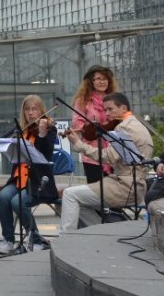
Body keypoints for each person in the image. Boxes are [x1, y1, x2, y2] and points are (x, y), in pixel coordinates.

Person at [60, 92, 152, 232]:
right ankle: (101, 233)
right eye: (105, 110)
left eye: (110, 109)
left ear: (123, 108)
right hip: (133, 184)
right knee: (80, 202)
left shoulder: (124, 127)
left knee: (69, 194)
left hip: (125, 186)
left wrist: (79, 144)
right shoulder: (136, 124)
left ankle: (65, 240)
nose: (106, 113)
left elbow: (108, 157)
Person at [0, 95, 57, 254]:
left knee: (17, 201)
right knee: (3, 196)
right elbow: (3, 141)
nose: (30, 113)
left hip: (39, 181)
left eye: (34, 109)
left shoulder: (49, 128)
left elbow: (46, 154)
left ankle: (36, 239)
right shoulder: (20, 129)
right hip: (19, 178)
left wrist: (42, 133)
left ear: (41, 110)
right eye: (27, 109)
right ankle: (8, 239)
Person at [70, 66, 118, 183]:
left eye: (105, 78)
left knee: (112, 187)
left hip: (112, 150)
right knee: (96, 188)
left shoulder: (114, 99)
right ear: (91, 82)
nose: (102, 81)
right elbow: (78, 124)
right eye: (98, 78)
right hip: (91, 152)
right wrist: (90, 130)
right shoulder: (82, 100)